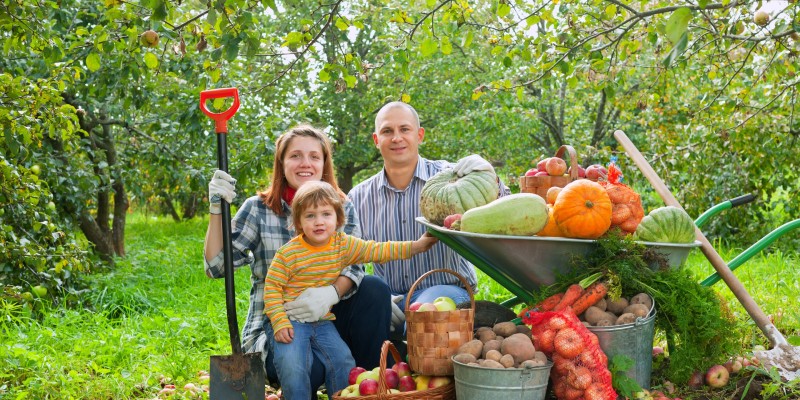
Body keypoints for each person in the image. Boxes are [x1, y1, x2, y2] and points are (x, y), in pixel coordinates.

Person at [203, 125, 392, 397]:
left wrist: (330, 293)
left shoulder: (340, 205)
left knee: (374, 289)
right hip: (280, 327)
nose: (306, 163)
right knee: (309, 369)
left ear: (324, 163)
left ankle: (366, 386)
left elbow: (355, 264)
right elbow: (216, 266)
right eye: (296, 156)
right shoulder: (258, 209)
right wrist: (215, 210)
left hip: (328, 319)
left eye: (315, 156)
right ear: (281, 163)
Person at [263, 180, 438, 400]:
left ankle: (343, 396)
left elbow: (378, 250)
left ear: (338, 218)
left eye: (326, 214)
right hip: (290, 319)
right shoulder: (288, 254)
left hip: (322, 320)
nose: (319, 222)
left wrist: (417, 246)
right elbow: (271, 288)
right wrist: (279, 321)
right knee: (294, 366)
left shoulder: (343, 245)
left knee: (343, 361)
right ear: (298, 221)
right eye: (310, 216)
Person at [347, 101, 510, 333]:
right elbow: (349, 256)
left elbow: (502, 205)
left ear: (419, 135)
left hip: (446, 290)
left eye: (404, 129)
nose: (396, 138)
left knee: (421, 320)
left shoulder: (451, 179)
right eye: (387, 131)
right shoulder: (359, 196)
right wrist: (375, 299)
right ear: (376, 140)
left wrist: (489, 175)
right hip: (391, 298)